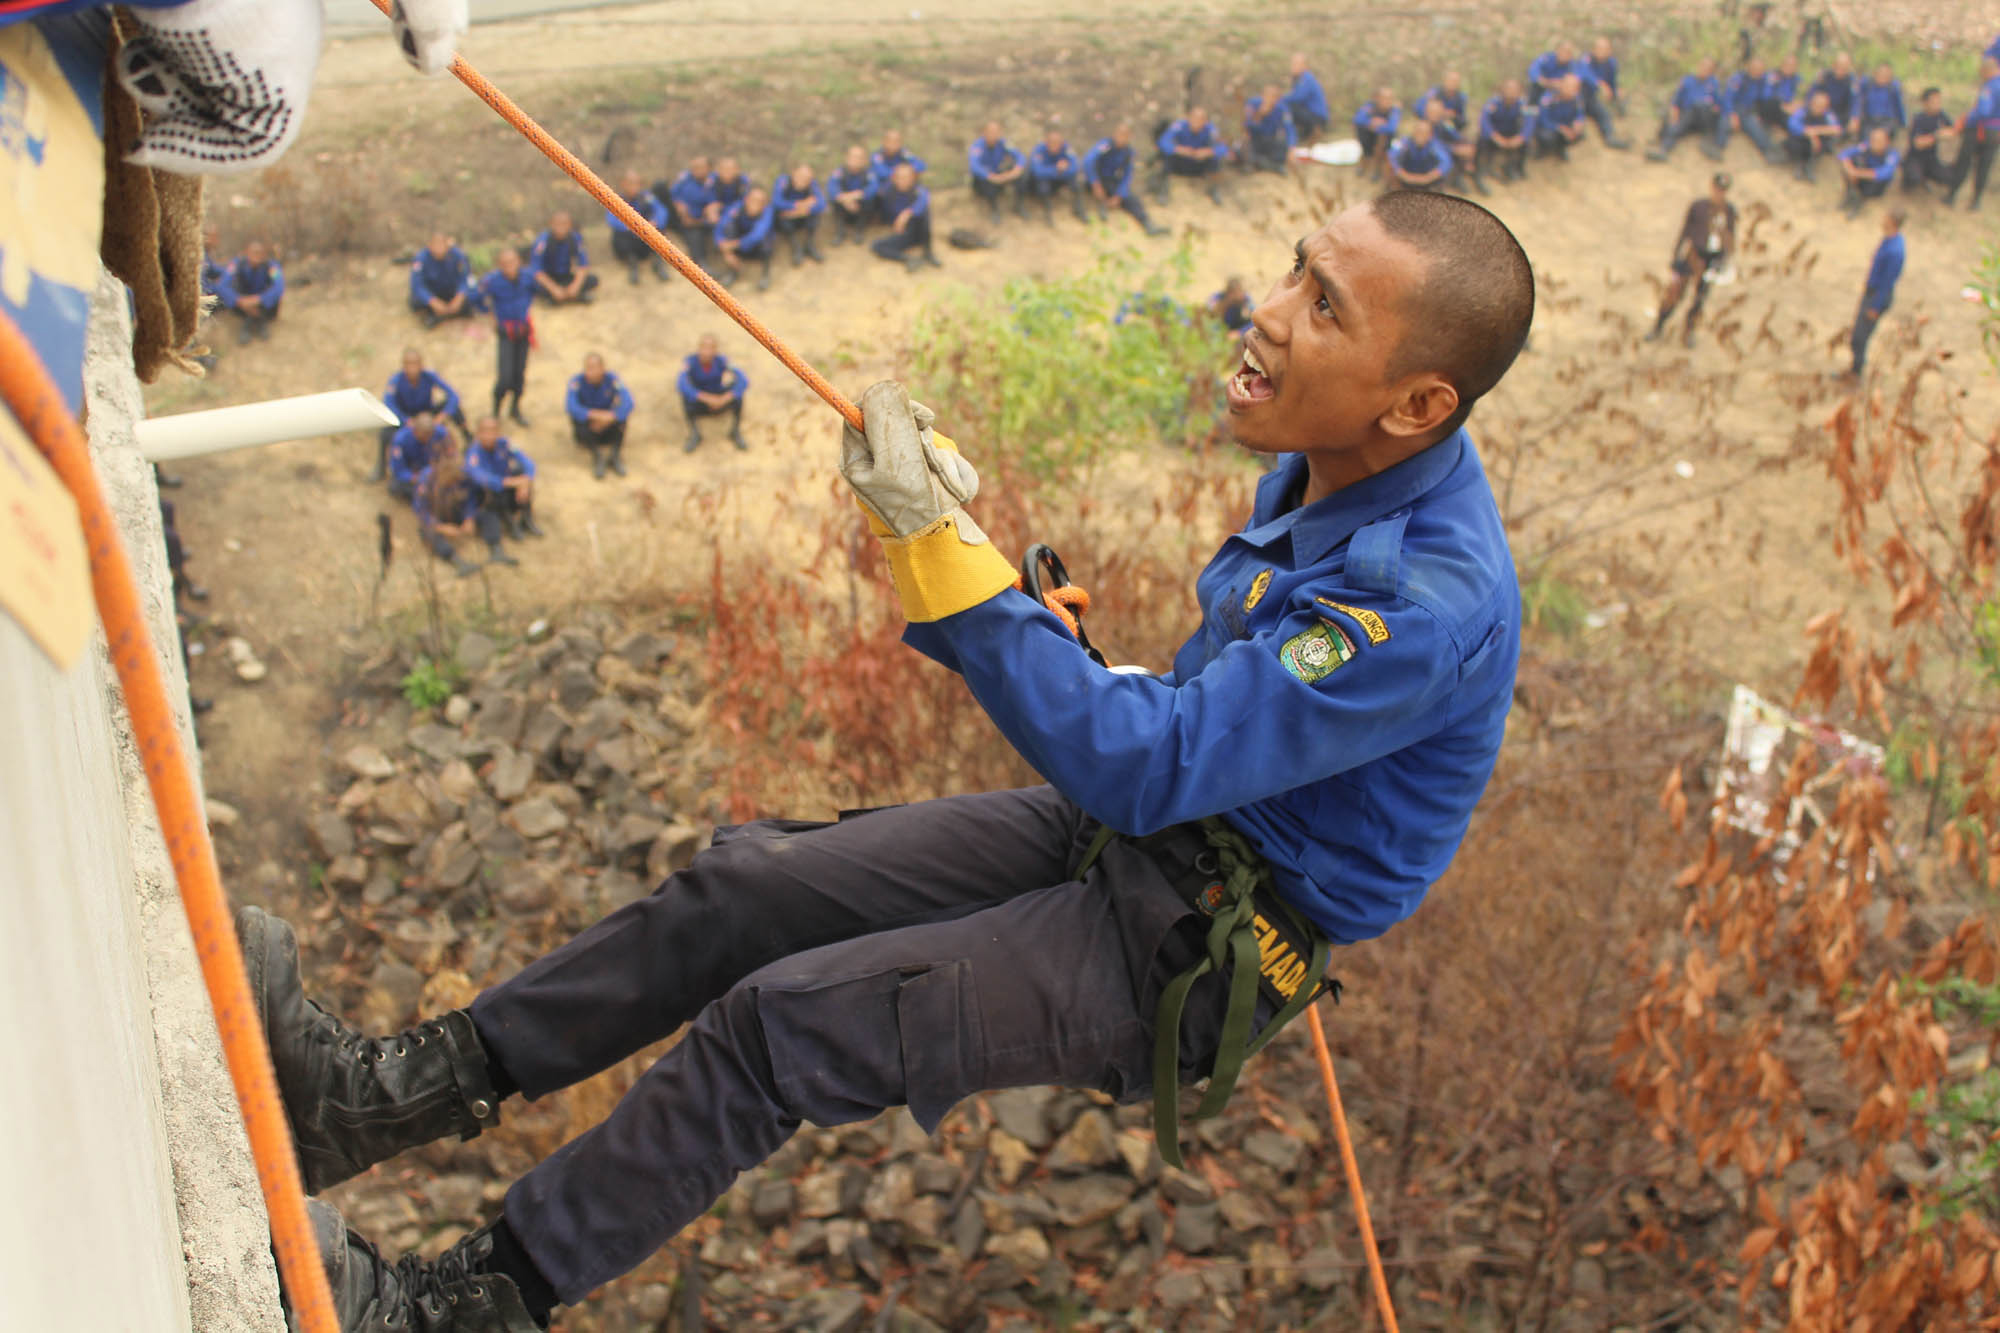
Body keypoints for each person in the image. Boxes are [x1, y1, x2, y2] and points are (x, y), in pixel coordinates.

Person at [254, 189, 1535, 1333]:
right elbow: (1205, 718)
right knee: (745, 887)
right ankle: (375, 1098)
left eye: (1320, 306)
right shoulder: (1339, 470)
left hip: (1207, 934)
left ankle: (464, 1309)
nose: (1262, 314)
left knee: (789, 1028)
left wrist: (948, 563)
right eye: (1291, 270)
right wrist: (996, 580)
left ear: (1417, 399)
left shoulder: (1415, 599)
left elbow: (1147, 764)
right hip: (1159, 833)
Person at [1646, 172, 1737, 348]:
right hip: (1694, 255)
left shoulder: (1729, 211)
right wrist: (1676, 258)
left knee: (1699, 299)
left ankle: (1688, 332)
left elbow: (1730, 237)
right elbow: (1685, 231)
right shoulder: (1699, 207)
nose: (1719, 193)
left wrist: (1725, 259)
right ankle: (1658, 327)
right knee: (1674, 294)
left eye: (1723, 190)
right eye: (1717, 189)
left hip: (1712, 258)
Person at [413, 433, 512, 577]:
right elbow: (421, 509)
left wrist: (469, 517)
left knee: (488, 514)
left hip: (457, 511)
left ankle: (496, 550)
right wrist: (440, 527)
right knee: (427, 531)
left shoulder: (463, 473)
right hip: (438, 516)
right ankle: (456, 561)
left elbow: (471, 497)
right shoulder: (426, 479)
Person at [377, 348, 467, 483]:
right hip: (407, 417)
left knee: (455, 409)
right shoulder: (395, 380)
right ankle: (381, 467)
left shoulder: (429, 376)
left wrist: (442, 415)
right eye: (409, 364)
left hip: (427, 415)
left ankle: (468, 437)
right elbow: (389, 404)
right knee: (385, 433)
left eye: (416, 364)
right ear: (403, 366)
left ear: (421, 365)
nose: (413, 368)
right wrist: (405, 420)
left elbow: (453, 395)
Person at [476, 249, 537, 426]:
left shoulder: (527, 277)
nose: (510, 267)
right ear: (499, 266)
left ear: (519, 261)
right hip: (506, 332)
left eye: (512, 262)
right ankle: (495, 411)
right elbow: (477, 297)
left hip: (523, 330)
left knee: (520, 374)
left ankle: (515, 409)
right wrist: (490, 314)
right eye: (505, 264)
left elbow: (537, 290)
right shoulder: (492, 281)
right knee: (505, 377)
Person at [1844, 208, 1904, 380]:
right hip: (1871, 293)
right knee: (1857, 334)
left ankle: (1856, 374)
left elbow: (1887, 282)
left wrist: (1875, 307)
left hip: (1877, 297)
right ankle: (1854, 369)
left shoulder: (1895, 251)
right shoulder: (1888, 240)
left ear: (1892, 221)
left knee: (1860, 337)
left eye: (1885, 216)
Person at [1083, 123, 1168, 235]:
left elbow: (1127, 174)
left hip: (1112, 181)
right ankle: (1101, 209)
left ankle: (1147, 224)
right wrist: (1095, 183)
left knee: (1132, 200)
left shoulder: (1128, 152)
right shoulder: (1106, 145)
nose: (1122, 138)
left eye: (1125, 135)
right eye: (1120, 134)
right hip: (1097, 179)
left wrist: (1119, 195)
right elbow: (1088, 161)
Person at [464, 416, 541, 540]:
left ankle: (526, 520)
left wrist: (526, 480)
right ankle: (509, 523)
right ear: (478, 433)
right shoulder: (473, 453)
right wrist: (512, 483)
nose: (490, 436)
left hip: (506, 484)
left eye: (493, 431)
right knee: (494, 491)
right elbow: (480, 477)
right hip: (485, 494)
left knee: (521, 472)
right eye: (485, 431)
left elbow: (527, 461)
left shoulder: (505, 443)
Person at [1942, 56, 2000, 212]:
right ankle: (1976, 201)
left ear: (1987, 70)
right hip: (1996, 134)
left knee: (1964, 162)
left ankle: (1951, 195)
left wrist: (1965, 121)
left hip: (1980, 131)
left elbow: (1983, 111)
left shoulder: (1989, 87)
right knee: (1984, 166)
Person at [565, 353, 635, 479]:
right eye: (587, 367)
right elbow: (571, 406)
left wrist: (611, 417)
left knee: (622, 419)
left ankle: (615, 455)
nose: (589, 371)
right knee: (578, 421)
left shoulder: (612, 380)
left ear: (602, 368)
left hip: (608, 423)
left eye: (593, 367)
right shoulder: (576, 382)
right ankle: (597, 457)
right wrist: (594, 415)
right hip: (590, 425)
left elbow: (628, 402)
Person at [677, 335, 748, 453]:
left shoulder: (722, 361)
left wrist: (724, 398)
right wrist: (707, 398)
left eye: (710, 348)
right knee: (686, 398)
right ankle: (695, 433)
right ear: (698, 348)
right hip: (701, 400)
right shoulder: (690, 362)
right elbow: (681, 384)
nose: (706, 352)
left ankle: (735, 431)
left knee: (738, 395)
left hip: (718, 394)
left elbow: (743, 380)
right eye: (703, 347)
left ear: (715, 350)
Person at [1647, 57, 1725, 161]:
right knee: (1676, 123)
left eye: (1708, 68)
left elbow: (1719, 104)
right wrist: (1674, 112)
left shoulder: (1714, 83)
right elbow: (1676, 101)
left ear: (1711, 71)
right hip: (1687, 116)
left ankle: (1711, 146)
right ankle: (1663, 150)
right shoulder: (1687, 81)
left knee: (1699, 106)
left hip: (1704, 120)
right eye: (1703, 66)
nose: (1704, 70)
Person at [870, 161, 940, 272]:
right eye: (899, 177)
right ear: (894, 178)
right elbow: (872, 191)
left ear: (913, 178)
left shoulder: (919, 190)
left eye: (907, 177)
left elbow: (924, 200)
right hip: (903, 233)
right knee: (877, 246)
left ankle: (928, 252)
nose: (903, 180)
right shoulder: (887, 190)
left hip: (919, 231)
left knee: (925, 212)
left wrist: (906, 214)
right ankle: (908, 258)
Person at [606, 170, 670, 284]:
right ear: (623, 184)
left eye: (637, 183)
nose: (634, 187)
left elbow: (661, 210)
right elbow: (611, 219)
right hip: (629, 237)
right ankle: (632, 264)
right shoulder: (617, 199)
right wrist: (631, 227)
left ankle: (658, 263)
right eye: (630, 183)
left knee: (660, 231)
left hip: (646, 237)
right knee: (618, 236)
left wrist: (655, 222)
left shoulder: (647, 197)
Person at [1156, 107, 1230, 203]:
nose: (1196, 122)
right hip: (1181, 162)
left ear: (1205, 121)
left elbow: (1223, 148)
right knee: (1167, 156)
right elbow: (1163, 142)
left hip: (1199, 164)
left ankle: (1213, 189)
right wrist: (1179, 149)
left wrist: (1208, 152)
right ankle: (1163, 191)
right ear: (1188, 118)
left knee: (1215, 160)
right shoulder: (1179, 126)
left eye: (1200, 119)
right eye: (1194, 118)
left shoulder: (1211, 129)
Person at [217, 240, 283, 344]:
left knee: (274, 295)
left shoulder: (271, 266)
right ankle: (250, 319)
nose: (256, 256)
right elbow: (221, 285)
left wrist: (258, 300)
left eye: (259, 253)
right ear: (246, 252)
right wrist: (239, 301)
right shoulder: (237, 264)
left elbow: (279, 286)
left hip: (262, 303)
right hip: (242, 303)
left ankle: (259, 320)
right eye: (253, 252)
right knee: (232, 289)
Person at [714, 184, 777, 292]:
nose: (755, 204)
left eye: (760, 201)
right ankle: (733, 272)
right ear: (746, 199)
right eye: (753, 200)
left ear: (765, 204)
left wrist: (732, 245)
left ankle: (765, 275)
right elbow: (720, 227)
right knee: (729, 227)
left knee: (766, 238)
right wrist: (726, 251)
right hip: (739, 246)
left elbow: (757, 235)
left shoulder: (767, 211)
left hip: (757, 248)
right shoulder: (736, 208)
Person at [528, 213, 598, 307]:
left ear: (570, 225)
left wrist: (575, 286)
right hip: (548, 277)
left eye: (565, 223)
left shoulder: (575, 238)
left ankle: (565, 296)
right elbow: (536, 270)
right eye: (557, 224)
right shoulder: (542, 241)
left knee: (593, 280)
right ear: (551, 224)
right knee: (533, 286)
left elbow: (583, 264)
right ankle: (573, 297)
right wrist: (553, 288)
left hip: (566, 276)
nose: (561, 227)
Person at [407, 232, 474, 327]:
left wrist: (459, 297)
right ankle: (441, 313)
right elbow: (417, 285)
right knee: (415, 302)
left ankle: (440, 315)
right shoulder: (420, 259)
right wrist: (432, 301)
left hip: (451, 292)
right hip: (432, 292)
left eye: (442, 245)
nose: (439, 249)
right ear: (429, 246)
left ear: (447, 245)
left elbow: (465, 278)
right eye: (436, 245)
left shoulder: (458, 255)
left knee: (472, 295)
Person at [659, 155, 717, 265]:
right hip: (682, 218)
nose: (697, 170)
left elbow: (715, 203)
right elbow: (672, 195)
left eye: (700, 167)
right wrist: (678, 205)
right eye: (694, 167)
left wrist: (712, 209)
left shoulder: (714, 182)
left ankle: (704, 264)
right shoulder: (685, 179)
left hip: (701, 220)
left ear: (709, 168)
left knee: (697, 232)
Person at [966, 120, 1028, 220]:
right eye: (990, 132)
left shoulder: (1004, 143)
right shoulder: (977, 146)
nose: (993, 135)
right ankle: (994, 209)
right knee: (987, 182)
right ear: (984, 132)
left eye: (996, 132)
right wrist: (990, 176)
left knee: (1021, 175)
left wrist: (1016, 169)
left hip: (997, 173)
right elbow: (974, 165)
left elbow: (1020, 156)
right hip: (984, 178)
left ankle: (1018, 205)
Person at [1422, 95, 1484, 193]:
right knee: (1447, 156)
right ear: (1426, 112)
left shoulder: (1442, 124)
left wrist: (1466, 145)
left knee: (1471, 144)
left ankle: (1471, 177)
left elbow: (1456, 136)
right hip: (1430, 157)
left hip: (1445, 150)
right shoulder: (1423, 127)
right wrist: (1454, 149)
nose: (1435, 114)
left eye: (1438, 111)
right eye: (1432, 111)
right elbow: (1432, 145)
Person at [387, 411, 453, 503]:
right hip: (413, 473)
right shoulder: (400, 440)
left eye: (429, 435)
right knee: (396, 486)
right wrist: (417, 478)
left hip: (432, 469)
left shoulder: (436, 431)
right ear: (415, 431)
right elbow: (399, 470)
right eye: (424, 436)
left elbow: (447, 438)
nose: (427, 439)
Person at [1722, 56, 1780, 161]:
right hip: (1735, 109)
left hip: (1749, 111)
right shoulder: (1738, 79)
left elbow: (1765, 97)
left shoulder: (1762, 81)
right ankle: (1717, 146)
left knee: (1756, 127)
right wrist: (1732, 114)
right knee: (1726, 124)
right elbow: (1728, 98)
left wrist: (1767, 83)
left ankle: (1770, 151)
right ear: (1749, 68)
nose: (1757, 72)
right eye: (1755, 69)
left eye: (1760, 70)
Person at [1478, 80, 1534, 182]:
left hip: (1512, 135)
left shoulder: (1524, 104)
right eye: (1508, 89)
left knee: (1526, 143)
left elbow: (1529, 123)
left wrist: (1520, 138)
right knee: (1482, 139)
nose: (1511, 92)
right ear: (1502, 90)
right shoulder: (1493, 102)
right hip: (1496, 134)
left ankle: (1516, 167)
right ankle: (1483, 167)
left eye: (1515, 90)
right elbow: (1484, 121)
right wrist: (1495, 137)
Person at [1027, 126, 1087, 223]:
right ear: (1047, 142)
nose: (1054, 145)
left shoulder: (1067, 148)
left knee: (1078, 181)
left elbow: (1076, 167)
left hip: (1059, 179)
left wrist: (1062, 171)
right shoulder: (1039, 149)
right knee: (1043, 184)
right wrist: (1057, 169)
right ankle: (1047, 211)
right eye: (1051, 142)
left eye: (1057, 143)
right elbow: (1037, 171)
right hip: (1043, 182)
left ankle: (1079, 209)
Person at [1837, 126, 1900, 215]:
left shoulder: (1892, 155)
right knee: (1855, 161)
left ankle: (1860, 201)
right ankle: (1851, 195)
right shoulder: (1866, 146)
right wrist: (1850, 169)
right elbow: (1844, 154)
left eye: (1878, 141)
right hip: (1862, 177)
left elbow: (1884, 173)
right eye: (1872, 140)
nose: (1874, 143)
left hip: (1876, 185)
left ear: (1887, 142)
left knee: (1874, 180)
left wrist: (1856, 173)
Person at [1903, 87, 1955, 193]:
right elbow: (1918, 143)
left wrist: (1949, 133)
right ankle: (1907, 182)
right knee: (1913, 177)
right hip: (1915, 157)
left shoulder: (1941, 115)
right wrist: (1937, 136)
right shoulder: (1919, 119)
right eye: (1934, 101)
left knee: (1949, 177)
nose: (1937, 104)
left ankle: (1927, 177)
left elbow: (1952, 130)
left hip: (1932, 157)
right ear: (1925, 103)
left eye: (1939, 101)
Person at [772, 165, 827, 266]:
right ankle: (795, 247)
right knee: (782, 217)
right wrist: (799, 204)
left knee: (815, 216)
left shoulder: (812, 184)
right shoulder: (783, 181)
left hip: (800, 215)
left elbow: (822, 204)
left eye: (807, 179)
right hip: (787, 218)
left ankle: (809, 245)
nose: (803, 181)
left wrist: (798, 211)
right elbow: (776, 202)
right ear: (793, 173)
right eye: (800, 176)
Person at [1786, 88, 1842, 181]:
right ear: (1811, 103)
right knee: (1793, 143)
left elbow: (1837, 129)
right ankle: (1799, 163)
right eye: (1816, 104)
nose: (1818, 108)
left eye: (1822, 106)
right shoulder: (1803, 111)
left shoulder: (1828, 115)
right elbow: (1792, 123)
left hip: (1818, 144)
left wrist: (1816, 131)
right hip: (1801, 140)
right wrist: (1809, 134)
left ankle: (1810, 165)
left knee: (1826, 143)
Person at [827, 145, 878, 245]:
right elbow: (832, 187)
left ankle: (859, 230)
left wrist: (855, 196)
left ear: (864, 160)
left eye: (859, 158)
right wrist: (845, 199)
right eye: (853, 157)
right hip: (843, 206)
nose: (856, 160)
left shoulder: (869, 173)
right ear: (847, 158)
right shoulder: (840, 172)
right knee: (833, 200)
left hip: (860, 206)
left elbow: (873, 188)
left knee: (871, 200)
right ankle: (840, 232)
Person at [1532, 74, 1588, 162]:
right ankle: (1542, 149)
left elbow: (1580, 114)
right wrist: (1560, 128)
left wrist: (1578, 122)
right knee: (1546, 136)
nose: (1569, 89)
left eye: (1573, 87)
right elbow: (1542, 119)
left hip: (1565, 127)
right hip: (1548, 127)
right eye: (1566, 85)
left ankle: (1560, 148)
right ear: (1561, 84)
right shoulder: (1549, 97)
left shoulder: (1577, 100)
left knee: (1579, 134)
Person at [1243, 84, 1296, 173]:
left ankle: (1273, 164)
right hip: (1255, 138)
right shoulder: (1253, 104)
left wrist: (1291, 148)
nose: (1270, 100)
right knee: (1246, 145)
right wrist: (1260, 114)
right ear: (1262, 95)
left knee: (1282, 142)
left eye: (1274, 97)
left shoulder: (1282, 109)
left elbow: (1289, 129)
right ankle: (1254, 163)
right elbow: (1248, 125)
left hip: (1271, 138)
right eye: (1268, 96)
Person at [1387, 116, 1449, 190]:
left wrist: (1428, 177)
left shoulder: (1435, 145)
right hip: (1406, 178)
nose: (1420, 135)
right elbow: (1391, 156)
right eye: (1418, 131)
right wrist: (1403, 174)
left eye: (1424, 133)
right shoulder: (1404, 142)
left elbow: (1446, 162)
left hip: (1427, 180)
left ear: (1430, 135)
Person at [1352, 87, 1402, 181]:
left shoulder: (1394, 110)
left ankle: (1377, 166)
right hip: (1368, 137)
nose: (1386, 101)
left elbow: (1391, 127)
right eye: (1383, 98)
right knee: (1360, 130)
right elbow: (1357, 119)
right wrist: (1371, 122)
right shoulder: (1369, 107)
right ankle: (1365, 158)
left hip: (1384, 140)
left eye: (1389, 98)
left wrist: (1378, 127)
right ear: (1377, 98)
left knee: (1382, 138)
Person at [1812, 51, 1863, 140]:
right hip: (1822, 112)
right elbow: (1812, 93)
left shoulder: (1852, 81)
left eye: (1844, 66)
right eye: (1839, 65)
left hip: (1841, 115)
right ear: (1833, 64)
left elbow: (1855, 101)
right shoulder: (1825, 76)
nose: (1841, 69)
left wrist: (1854, 118)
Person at [1282, 52, 1329, 140]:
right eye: (1292, 63)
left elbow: (1297, 98)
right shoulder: (1298, 79)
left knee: (1287, 107)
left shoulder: (1307, 79)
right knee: (1286, 106)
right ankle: (1298, 134)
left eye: (1296, 64)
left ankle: (1293, 136)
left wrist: (1280, 99)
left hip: (1317, 118)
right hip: (1309, 114)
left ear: (1305, 66)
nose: (1293, 67)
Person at [1857, 62, 1906, 137]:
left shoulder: (1893, 89)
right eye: (1880, 73)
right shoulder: (1867, 85)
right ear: (1875, 74)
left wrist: (1903, 123)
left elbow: (1899, 107)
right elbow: (1858, 102)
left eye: (1886, 75)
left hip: (1887, 122)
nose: (1882, 77)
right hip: (1869, 121)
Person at [1526, 39, 1580, 105]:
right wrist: (1545, 82)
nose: (1565, 54)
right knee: (1533, 90)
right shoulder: (1547, 58)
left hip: (1559, 92)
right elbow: (1533, 70)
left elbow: (1575, 81)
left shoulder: (1572, 65)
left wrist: (1562, 85)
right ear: (1557, 50)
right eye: (1563, 50)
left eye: (1568, 52)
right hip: (1541, 86)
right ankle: (1529, 112)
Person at [1584, 36, 1625, 119]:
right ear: (1593, 49)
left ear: (1609, 51)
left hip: (1603, 94)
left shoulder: (1612, 63)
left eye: (1605, 49)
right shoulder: (1586, 59)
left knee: (1621, 96)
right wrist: (1600, 84)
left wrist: (1615, 91)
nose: (1601, 51)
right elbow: (1585, 74)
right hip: (1586, 94)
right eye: (1599, 48)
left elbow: (1612, 81)